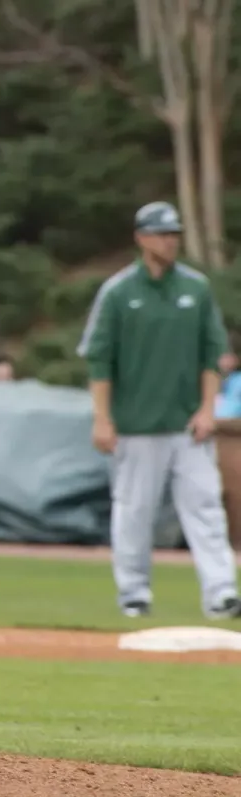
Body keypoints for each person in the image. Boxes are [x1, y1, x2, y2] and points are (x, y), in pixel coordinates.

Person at [76, 200, 240, 619]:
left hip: (186, 424)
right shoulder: (118, 292)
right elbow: (99, 360)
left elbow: (212, 356)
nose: (170, 242)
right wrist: (103, 418)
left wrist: (207, 410)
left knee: (206, 509)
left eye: (174, 234)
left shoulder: (195, 289)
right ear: (141, 238)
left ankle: (221, 592)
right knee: (134, 511)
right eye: (162, 234)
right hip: (135, 424)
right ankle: (133, 592)